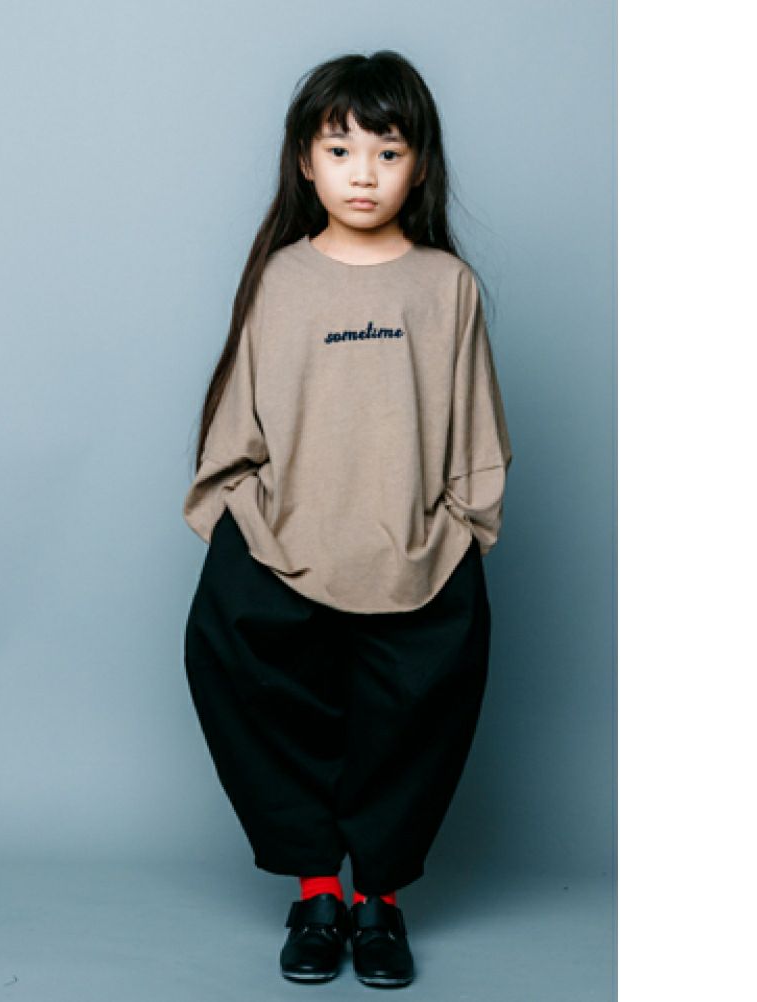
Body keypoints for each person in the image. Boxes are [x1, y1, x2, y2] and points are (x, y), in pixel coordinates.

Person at [181, 50, 513, 989]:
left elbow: (477, 431)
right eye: (340, 149)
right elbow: (239, 421)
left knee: (411, 728)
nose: (363, 173)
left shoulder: (447, 285)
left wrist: (462, 531)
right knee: (251, 690)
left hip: (417, 554)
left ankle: (380, 904)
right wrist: (241, 518)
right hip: (283, 548)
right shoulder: (280, 279)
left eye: (388, 151)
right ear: (305, 161)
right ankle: (318, 893)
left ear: (420, 164)